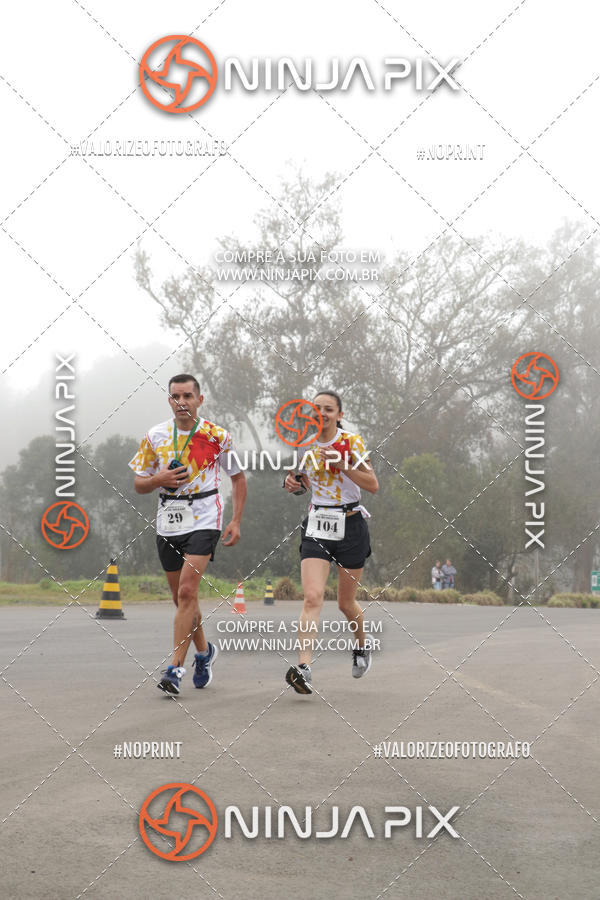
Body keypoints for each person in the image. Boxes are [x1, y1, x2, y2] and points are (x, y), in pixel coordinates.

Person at [129, 374, 247, 695]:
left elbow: (237, 478)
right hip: (168, 519)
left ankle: (174, 670)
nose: (182, 402)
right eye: (175, 396)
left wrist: (235, 520)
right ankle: (204, 653)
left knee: (186, 593)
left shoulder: (217, 436)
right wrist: (159, 479)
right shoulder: (155, 436)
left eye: (188, 396)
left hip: (205, 517)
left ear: (199, 399)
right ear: (169, 400)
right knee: (182, 600)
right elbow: (140, 483)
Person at [283, 391, 378, 694]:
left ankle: (361, 648)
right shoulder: (305, 445)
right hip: (317, 524)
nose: (322, 413)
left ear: (339, 414)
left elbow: (372, 484)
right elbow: (303, 483)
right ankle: (304, 668)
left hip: (350, 525)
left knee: (345, 603)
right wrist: (294, 485)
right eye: (317, 409)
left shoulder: (352, 443)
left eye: (329, 409)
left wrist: (342, 464)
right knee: (312, 597)